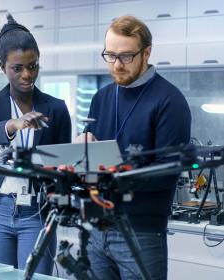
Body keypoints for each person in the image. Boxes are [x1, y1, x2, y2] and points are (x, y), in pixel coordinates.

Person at [75, 15, 191, 280]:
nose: (117, 65)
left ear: (146, 52)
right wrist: (83, 149)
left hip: (141, 232)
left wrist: (113, 170)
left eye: (126, 56)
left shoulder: (169, 101)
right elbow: (89, 159)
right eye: (110, 55)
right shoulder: (101, 97)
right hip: (96, 228)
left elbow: (167, 172)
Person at [0, 14, 72, 275]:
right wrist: (15, 124)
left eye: (33, 66)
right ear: (3, 67)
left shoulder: (56, 108)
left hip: (37, 211)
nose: (27, 74)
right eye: (18, 68)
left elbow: (61, 162)